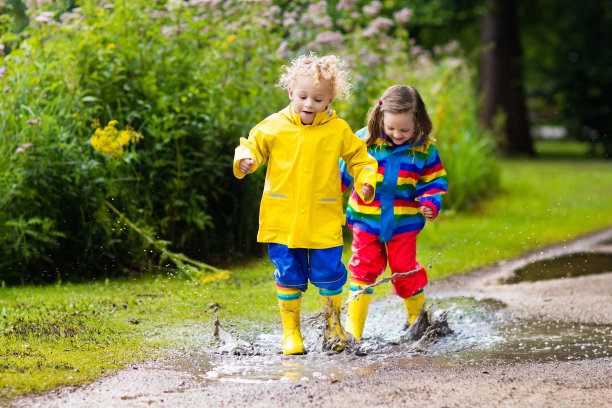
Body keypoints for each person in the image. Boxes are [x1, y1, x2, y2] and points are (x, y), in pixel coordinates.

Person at [233, 53, 378, 355]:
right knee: (288, 274)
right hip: (282, 220)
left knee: (329, 273)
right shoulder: (274, 125)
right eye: (302, 96)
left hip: (322, 218)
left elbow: (361, 159)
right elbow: (252, 145)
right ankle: (291, 333)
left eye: (318, 98)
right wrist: (246, 160)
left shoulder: (338, 130)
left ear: (330, 99)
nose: (309, 104)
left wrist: (366, 181)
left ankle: (333, 327)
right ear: (290, 93)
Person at [339, 85, 448, 340]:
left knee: (404, 269)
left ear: (418, 121)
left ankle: (419, 325)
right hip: (366, 221)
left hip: (403, 223)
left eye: (405, 130)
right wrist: (330, 199)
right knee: (363, 269)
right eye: (391, 128)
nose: (397, 135)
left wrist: (430, 204)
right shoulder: (364, 141)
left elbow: (434, 183)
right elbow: (341, 174)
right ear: (380, 117)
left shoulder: (424, 150)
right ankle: (354, 331)